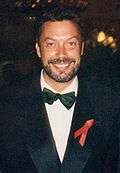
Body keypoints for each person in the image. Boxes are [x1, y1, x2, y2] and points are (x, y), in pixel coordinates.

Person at [0, 4, 119, 173]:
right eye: (51, 44)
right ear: (38, 49)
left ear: (82, 48)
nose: (61, 54)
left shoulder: (111, 104)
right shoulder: (6, 104)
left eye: (71, 43)